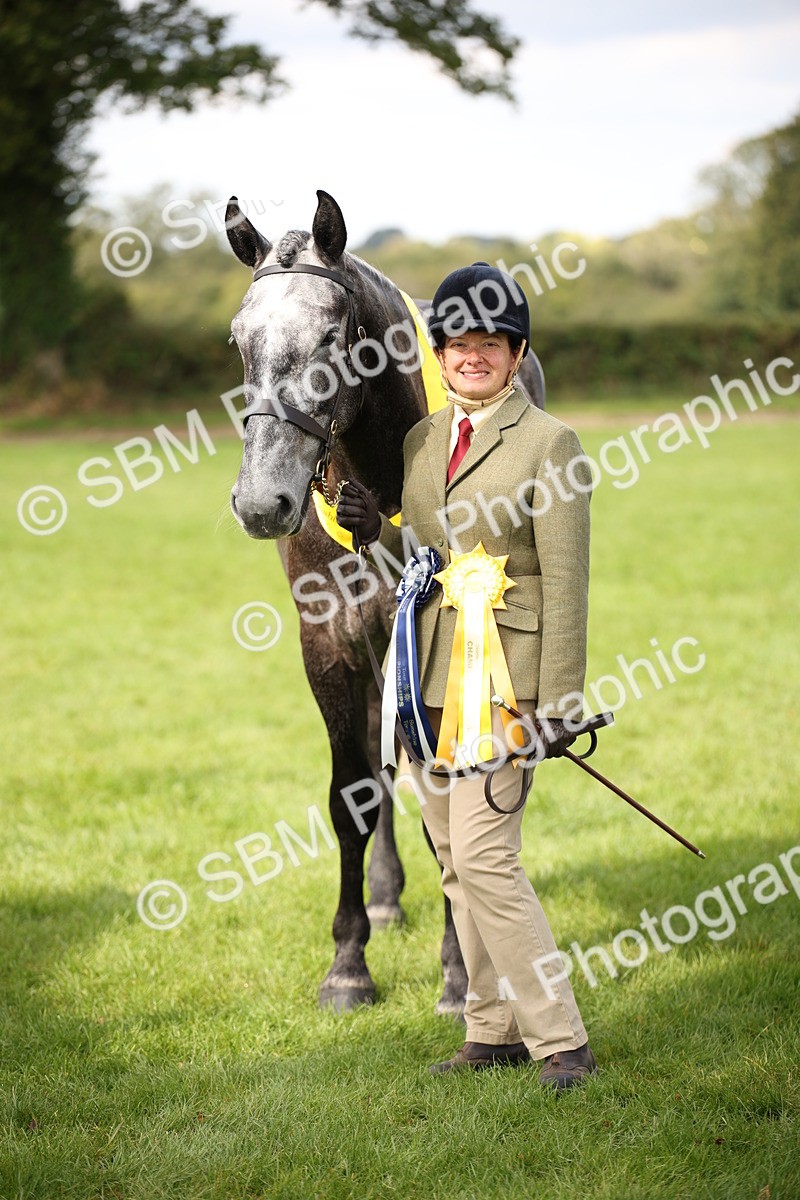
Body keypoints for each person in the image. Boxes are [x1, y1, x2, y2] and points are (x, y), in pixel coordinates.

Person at [337, 262, 597, 1090]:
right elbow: (420, 553)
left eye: (492, 344)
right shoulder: (422, 441)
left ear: (516, 355)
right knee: (453, 861)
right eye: (459, 344)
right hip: (430, 681)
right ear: (439, 355)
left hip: (504, 684)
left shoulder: (550, 444)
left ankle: (561, 1038)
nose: (473, 357)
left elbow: (566, 580)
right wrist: (369, 527)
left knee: (487, 861)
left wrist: (554, 703)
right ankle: (490, 1031)